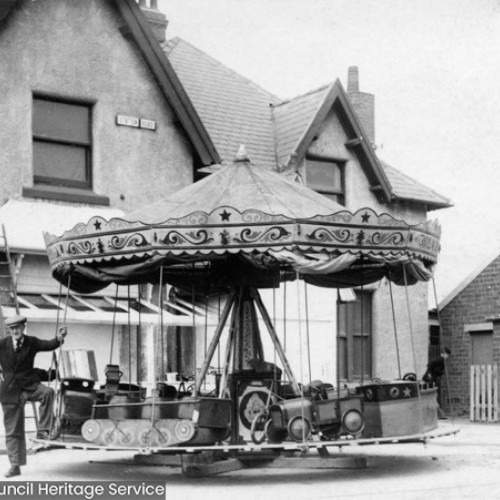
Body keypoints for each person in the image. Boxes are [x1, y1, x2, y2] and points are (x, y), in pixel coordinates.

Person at [0, 314, 67, 478]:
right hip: (9, 391)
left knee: (48, 393)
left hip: (29, 385)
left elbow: (50, 344)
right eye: (12, 328)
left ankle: (43, 430)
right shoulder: (2, 344)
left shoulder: (32, 342)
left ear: (24, 327)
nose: (15, 331)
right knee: (13, 431)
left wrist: (59, 337)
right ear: (9, 330)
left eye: (18, 327)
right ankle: (15, 466)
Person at [423, 347, 451, 418]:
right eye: (447, 355)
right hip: (432, 379)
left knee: (435, 394)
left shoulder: (441, 359)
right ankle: (437, 413)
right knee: (433, 394)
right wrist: (429, 373)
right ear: (444, 354)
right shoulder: (440, 359)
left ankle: (438, 413)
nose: (447, 357)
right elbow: (430, 364)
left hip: (434, 378)